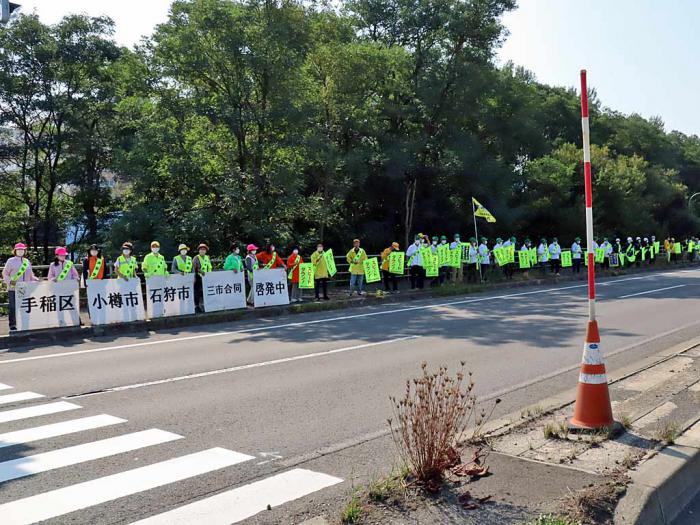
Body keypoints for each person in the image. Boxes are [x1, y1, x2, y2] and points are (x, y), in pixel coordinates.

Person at [2, 243, 39, 330]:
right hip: (13, 288)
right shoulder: (10, 261)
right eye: (18, 250)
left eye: (22, 250)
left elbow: (31, 275)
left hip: (25, 288)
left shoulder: (27, 261)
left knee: (25, 306)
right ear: (15, 251)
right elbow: (5, 273)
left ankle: (25, 323)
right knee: (13, 307)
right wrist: (11, 282)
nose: (20, 251)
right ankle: (13, 325)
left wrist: (35, 279)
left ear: (24, 251)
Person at [193, 243, 212, 313]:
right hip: (198, 277)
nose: (202, 251)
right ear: (199, 250)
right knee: (198, 292)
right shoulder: (196, 258)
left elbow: (209, 266)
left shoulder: (207, 257)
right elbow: (194, 268)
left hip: (206, 277)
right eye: (201, 249)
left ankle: (203, 305)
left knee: (205, 292)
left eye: (204, 249)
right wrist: (200, 271)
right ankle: (197, 306)